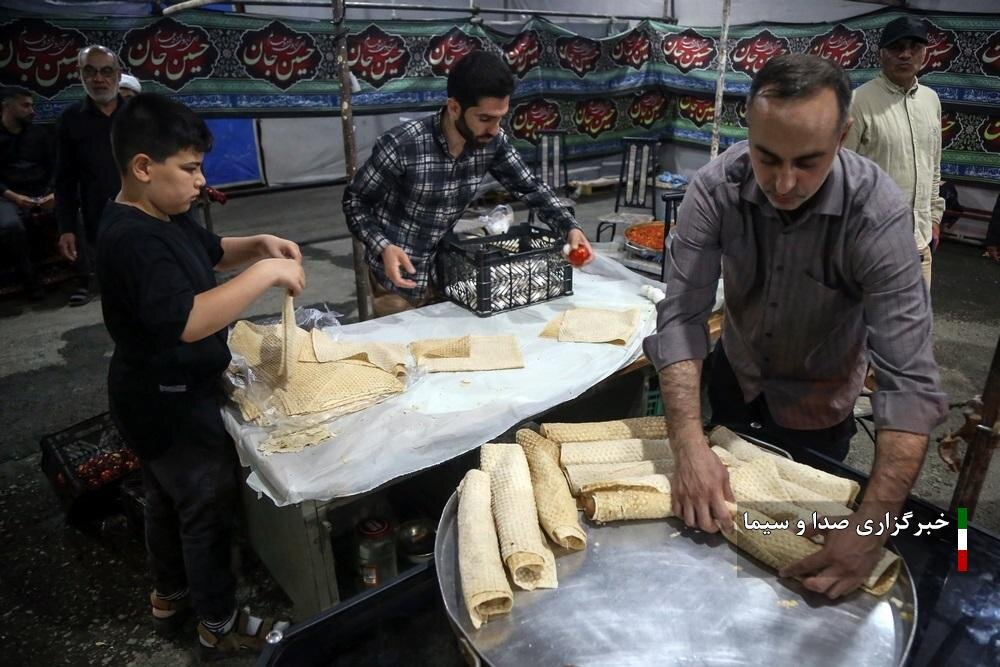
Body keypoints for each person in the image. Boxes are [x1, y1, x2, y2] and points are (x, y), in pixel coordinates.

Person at [643, 54, 947, 599]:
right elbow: (683, 318)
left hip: (818, 400)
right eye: (767, 157)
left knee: (807, 544)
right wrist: (688, 446)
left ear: (843, 136)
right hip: (737, 378)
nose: (784, 183)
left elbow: (908, 381)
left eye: (808, 162)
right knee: (721, 536)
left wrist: (873, 525)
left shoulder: (875, 213)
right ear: (749, 129)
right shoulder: (716, 188)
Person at [97, 93, 301, 658]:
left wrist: (256, 246)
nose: (200, 180)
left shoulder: (163, 215)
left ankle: (169, 595)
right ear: (143, 167)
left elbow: (212, 253)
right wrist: (265, 273)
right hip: (166, 403)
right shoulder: (132, 238)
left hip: (154, 396)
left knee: (167, 500)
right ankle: (218, 621)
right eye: (189, 168)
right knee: (205, 507)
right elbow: (187, 320)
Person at [343, 50, 592, 317]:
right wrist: (383, 246)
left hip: (446, 271)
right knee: (398, 340)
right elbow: (355, 201)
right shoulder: (403, 145)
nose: (494, 129)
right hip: (395, 277)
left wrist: (569, 226)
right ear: (454, 108)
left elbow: (530, 187)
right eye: (485, 119)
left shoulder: (492, 142)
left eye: (500, 117)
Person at [843, 16, 945, 286]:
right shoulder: (858, 102)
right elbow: (840, 175)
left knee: (917, 313)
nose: (905, 54)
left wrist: (934, 217)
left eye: (914, 47)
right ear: (881, 54)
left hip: (920, 247)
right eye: (897, 47)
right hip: (872, 247)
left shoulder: (931, 101)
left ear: (925, 54)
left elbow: (934, 165)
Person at [54, 45, 126, 306]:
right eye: (90, 71)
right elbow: (64, 179)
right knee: (117, 288)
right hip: (100, 218)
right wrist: (66, 228)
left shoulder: (137, 114)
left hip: (146, 212)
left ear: (118, 74)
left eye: (106, 71)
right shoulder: (70, 120)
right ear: (80, 74)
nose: (98, 79)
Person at [0, 86, 53, 299]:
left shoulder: (39, 134)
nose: (32, 111)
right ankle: (31, 280)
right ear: (7, 105)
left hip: (43, 193)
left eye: (32, 106)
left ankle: (85, 274)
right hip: (9, 197)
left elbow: (56, 167)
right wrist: (14, 197)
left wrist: (53, 193)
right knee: (11, 225)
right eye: (25, 106)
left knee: (73, 212)